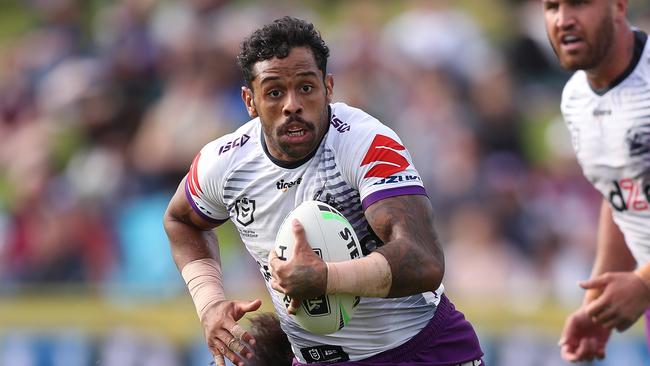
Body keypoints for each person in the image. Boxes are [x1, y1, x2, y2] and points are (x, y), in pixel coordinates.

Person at [163, 16, 484, 366]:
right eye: (274, 92)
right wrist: (209, 303)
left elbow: (424, 259)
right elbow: (181, 220)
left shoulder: (365, 143)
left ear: (328, 87)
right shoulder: (224, 163)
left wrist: (326, 278)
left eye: (306, 87)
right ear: (249, 101)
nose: (292, 105)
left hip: (421, 353)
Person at [543, 0, 650, 362]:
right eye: (552, 6)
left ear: (619, 6)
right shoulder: (575, 98)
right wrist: (597, 306)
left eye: (578, 3)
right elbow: (620, 193)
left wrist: (643, 282)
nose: (563, 20)